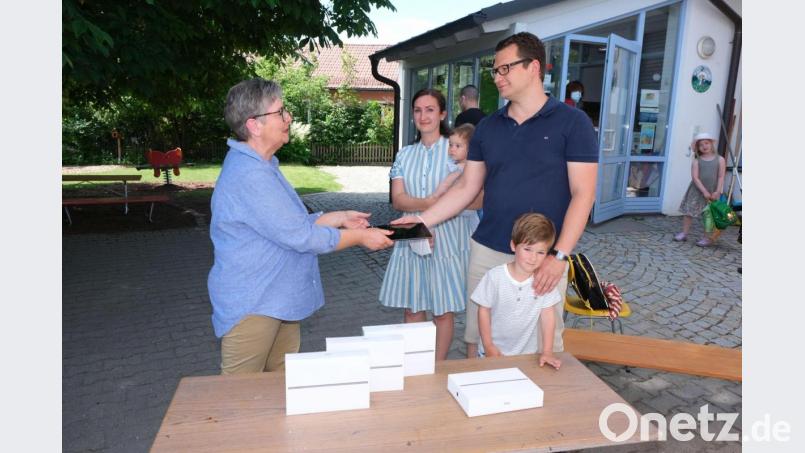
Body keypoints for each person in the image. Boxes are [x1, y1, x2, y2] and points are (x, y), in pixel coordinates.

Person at [393, 32, 599, 359]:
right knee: (478, 341)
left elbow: (583, 194)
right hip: (487, 250)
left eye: (505, 68)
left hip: (541, 256)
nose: (497, 77)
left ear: (534, 67)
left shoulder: (573, 123)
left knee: (542, 346)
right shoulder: (488, 127)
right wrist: (421, 221)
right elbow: (466, 187)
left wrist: (559, 257)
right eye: (495, 70)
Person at [208, 78, 393, 375]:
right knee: (238, 394)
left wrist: (340, 216)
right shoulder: (250, 175)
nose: (289, 117)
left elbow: (288, 225)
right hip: (255, 304)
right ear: (254, 125)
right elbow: (302, 237)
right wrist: (359, 236)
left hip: (278, 298)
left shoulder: (264, 165)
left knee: (281, 385)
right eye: (280, 112)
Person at [379, 88, 474, 361]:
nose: (423, 116)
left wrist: (427, 207)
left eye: (430, 109)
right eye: (418, 110)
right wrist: (432, 201)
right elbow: (398, 199)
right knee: (412, 308)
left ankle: (437, 366)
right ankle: (416, 365)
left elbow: (472, 196)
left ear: (442, 114)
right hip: (412, 238)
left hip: (448, 238)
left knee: (442, 311)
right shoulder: (405, 154)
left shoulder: (456, 149)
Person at [474, 213, 561, 369]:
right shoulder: (495, 277)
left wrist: (547, 351)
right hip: (493, 353)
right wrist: (488, 345)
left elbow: (548, 316)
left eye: (540, 252)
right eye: (527, 249)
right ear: (513, 245)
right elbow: (483, 310)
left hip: (526, 356)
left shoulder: (544, 282)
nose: (533, 258)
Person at [674, 132, 726, 247]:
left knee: (709, 215)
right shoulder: (697, 161)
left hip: (713, 191)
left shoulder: (720, 160)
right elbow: (695, 178)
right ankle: (684, 233)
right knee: (689, 212)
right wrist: (704, 191)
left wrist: (718, 191)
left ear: (711, 144)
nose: (704, 146)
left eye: (706, 143)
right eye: (701, 145)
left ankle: (706, 238)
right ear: (697, 148)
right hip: (696, 191)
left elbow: (721, 176)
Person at [432, 123, 484, 233]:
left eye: (458, 146)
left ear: (470, 149)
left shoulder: (463, 167)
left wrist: (435, 197)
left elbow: (446, 183)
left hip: (465, 209)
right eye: (450, 145)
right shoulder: (456, 164)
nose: (452, 149)